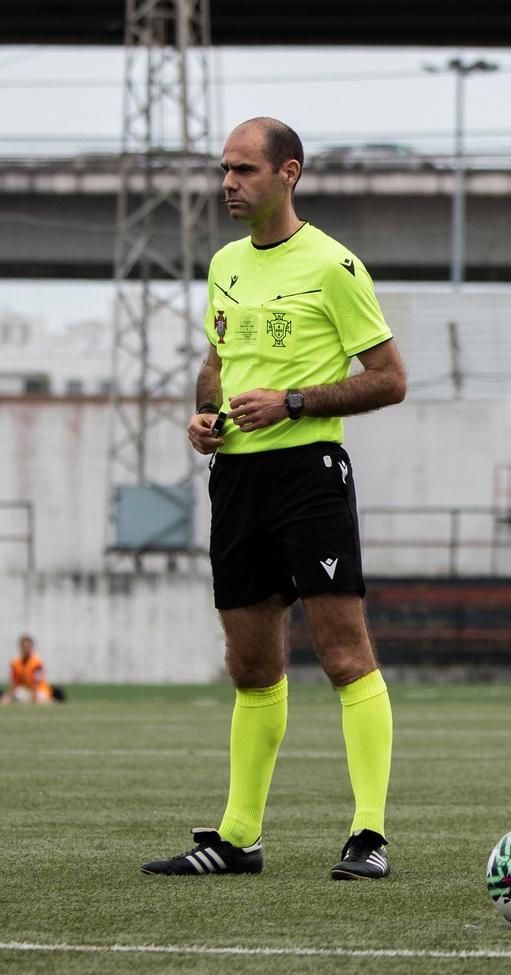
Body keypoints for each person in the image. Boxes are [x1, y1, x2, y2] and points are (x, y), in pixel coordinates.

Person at [143, 116, 409, 881]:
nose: (229, 183)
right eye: (224, 170)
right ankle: (238, 837)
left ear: (287, 174)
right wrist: (206, 416)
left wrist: (293, 402)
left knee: (342, 653)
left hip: (309, 474)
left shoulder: (332, 264)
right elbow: (218, 359)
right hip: (238, 481)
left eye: (244, 170)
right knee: (251, 665)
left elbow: (390, 377)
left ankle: (368, 834)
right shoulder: (224, 262)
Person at [8, 635, 64, 704]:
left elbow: (36, 681)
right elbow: (14, 681)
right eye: (24, 646)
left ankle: (50, 701)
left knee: (38, 698)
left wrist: (33, 696)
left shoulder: (36, 662)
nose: (26, 648)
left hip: (39, 689)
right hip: (26, 689)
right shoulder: (15, 662)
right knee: (18, 693)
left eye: (28, 646)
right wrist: (9, 696)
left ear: (31, 646)